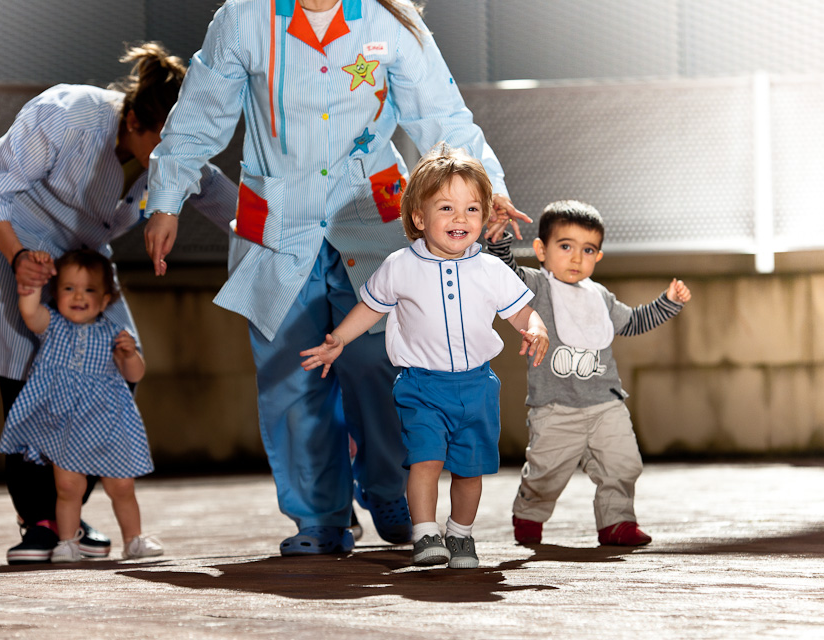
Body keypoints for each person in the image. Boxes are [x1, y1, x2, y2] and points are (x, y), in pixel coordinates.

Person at [143, 0, 532, 556]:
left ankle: (392, 488)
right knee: (290, 379)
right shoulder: (243, 18)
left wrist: (487, 189)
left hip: (371, 218)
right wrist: (166, 198)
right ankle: (320, 518)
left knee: (384, 363)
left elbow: (441, 115)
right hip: (278, 221)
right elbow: (201, 111)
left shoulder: (391, 21)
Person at [0, 42, 238, 564]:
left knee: (118, 365)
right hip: (3, 237)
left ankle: (66, 502)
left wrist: (300, 245)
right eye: (164, 144)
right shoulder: (70, 114)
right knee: (29, 371)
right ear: (132, 119)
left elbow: (229, 206)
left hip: (82, 260)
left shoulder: (175, 156)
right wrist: (18, 257)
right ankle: (39, 521)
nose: (176, 159)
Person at [301, 145, 549, 567]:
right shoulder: (400, 265)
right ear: (419, 217)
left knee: (470, 472)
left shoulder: (490, 269)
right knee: (425, 460)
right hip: (421, 386)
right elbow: (370, 307)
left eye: (473, 209)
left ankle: (461, 535)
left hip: (476, 386)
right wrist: (339, 338)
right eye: (447, 207)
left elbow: (523, 311)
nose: (461, 219)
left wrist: (537, 329)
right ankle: (425, 533)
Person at [487, 200, 692, 547]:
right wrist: (498, 241)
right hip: (554, 407)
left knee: (623, 463)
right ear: (541, 249)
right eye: (565, 246)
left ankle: (617, 521)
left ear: (598, 257)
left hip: (605, 404)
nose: (576, 257)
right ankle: (529, 509)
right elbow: (505, 277)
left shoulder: (600, 297)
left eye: (588, 249)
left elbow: (635, 321)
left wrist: (668, 302)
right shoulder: (537, 287)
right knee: (545, 473)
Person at [0, 249, 162, 562]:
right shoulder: (53, 325)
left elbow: (135, 374)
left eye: (89, 290)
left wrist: (129, 356)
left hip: (108, 423)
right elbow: (30, 314)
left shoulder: (115, 333)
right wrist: (30, 287)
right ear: (56, 294)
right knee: (69, 485)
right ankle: (67, 542)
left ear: (106, 299)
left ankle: (134, 539)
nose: (78, 296)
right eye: (69, 288)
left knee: (122, 485)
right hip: (65, 423)